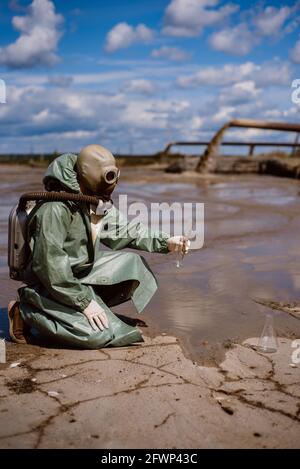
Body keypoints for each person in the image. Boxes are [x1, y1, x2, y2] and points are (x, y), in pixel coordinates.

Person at [8, 145, 189, 349]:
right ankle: (25, 311)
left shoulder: (92, 200)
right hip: (51, 282)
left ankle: (76, 311)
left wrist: (167, 242)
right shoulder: (55, 209)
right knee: (99, 336)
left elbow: (126, 231)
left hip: (79, 272)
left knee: (135, 266)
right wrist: (86, 302)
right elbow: (51, 266)